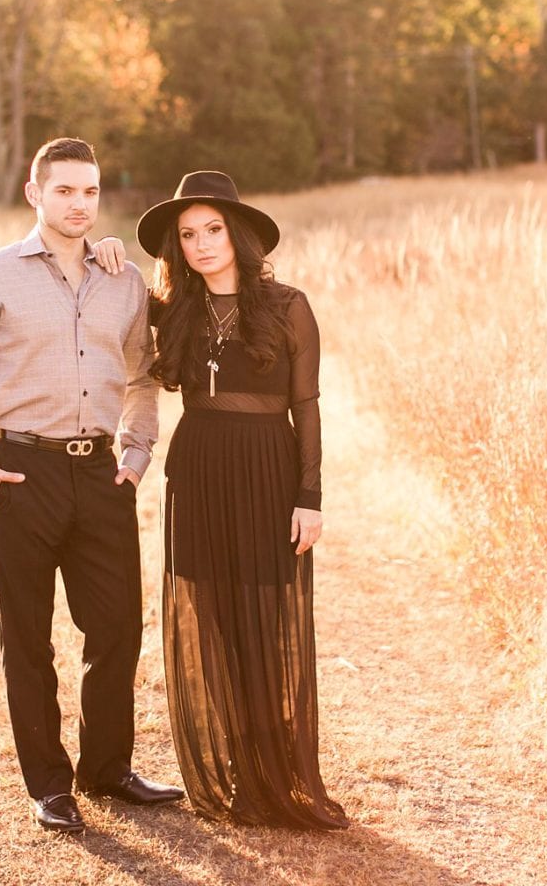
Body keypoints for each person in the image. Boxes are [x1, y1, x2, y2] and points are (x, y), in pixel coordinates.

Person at [0, 137, 186, 835]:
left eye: (90, 192)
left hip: (102, 474)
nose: (79, 204)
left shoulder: (122, 279)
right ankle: (49, 784)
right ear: (33, 192)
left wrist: (135, 456)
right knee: (27, 638)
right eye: (65, 190)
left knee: (116, 629)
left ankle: (107, 769)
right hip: (21, 472)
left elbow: (141, 378)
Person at [99, 169, 348, 829]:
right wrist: (110, 254)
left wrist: (310, 494)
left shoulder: (288, 306)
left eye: (212, 229)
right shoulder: (174, 309)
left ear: (236, 234)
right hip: (200, 470)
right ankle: (236, 775)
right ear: (175, 248)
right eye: (187, 235)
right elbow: (114, 301)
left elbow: (307, 406)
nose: (202, 243)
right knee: (210, 616)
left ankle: (278, 776)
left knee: (263, 621)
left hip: (267, 467)